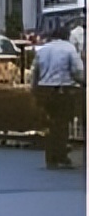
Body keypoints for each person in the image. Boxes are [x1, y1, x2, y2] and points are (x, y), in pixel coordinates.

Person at [31, 23, 85, 169]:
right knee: (62, 124)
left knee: (50, 123)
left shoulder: (43, 50)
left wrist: (34, 90)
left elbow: (34, 72)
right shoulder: (69, 49)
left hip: (44, 90)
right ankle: (61, 156)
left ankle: (50, 157)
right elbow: (78, 71)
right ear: (67, 36)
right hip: (62, 90)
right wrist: (83, 82)